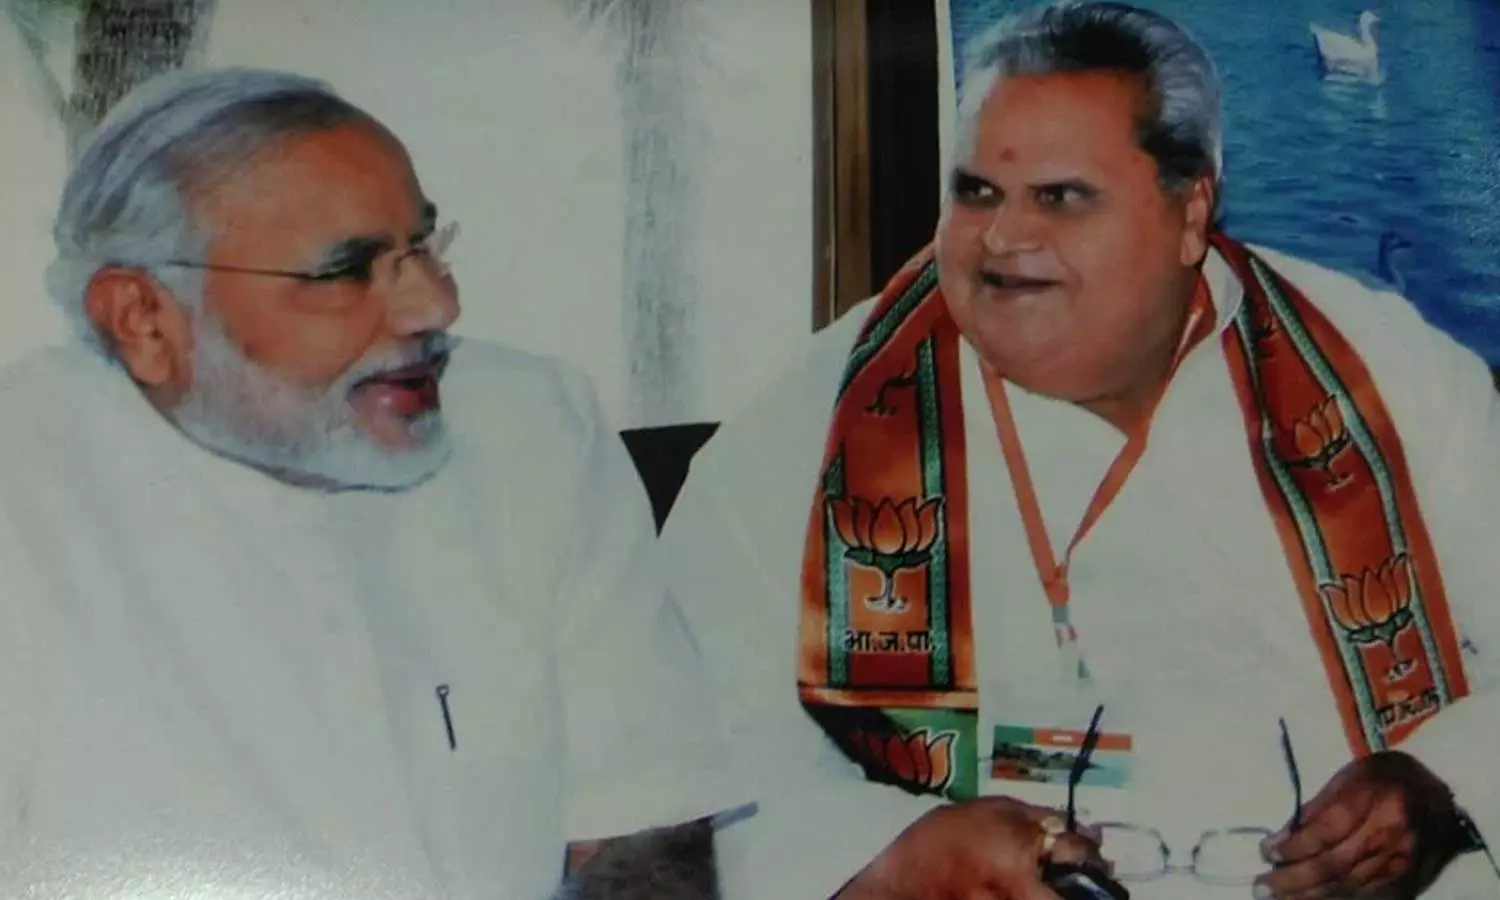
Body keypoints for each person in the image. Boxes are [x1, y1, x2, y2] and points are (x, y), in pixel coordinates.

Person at [662, 3, 1500, 898]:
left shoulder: (1387, 378)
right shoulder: (820, 416)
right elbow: (680, 739)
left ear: (1191, 210)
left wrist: (1446, 786)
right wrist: (893, 851)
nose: (1003, 238)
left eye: (1059, 197)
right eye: (977, 192)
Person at [0, 66, 744, 900]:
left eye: (423, 248)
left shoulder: (528, 424)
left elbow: (642, 822)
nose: (434, 307)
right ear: (144, 320)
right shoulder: (22, 497)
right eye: (346, 271)